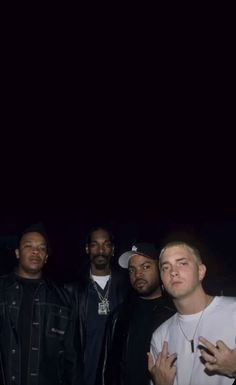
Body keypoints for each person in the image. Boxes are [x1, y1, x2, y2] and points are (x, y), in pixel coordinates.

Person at [0, 223, 83, 385]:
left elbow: (72, 358)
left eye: (41, 248)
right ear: (17, 253)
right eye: (28, 245)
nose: (35, 251)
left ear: (46, 257)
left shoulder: (62, 299)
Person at [148, 241, 236, 385]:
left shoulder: (233, 312)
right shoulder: (160, 336)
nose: (173, 271)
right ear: (162, 282)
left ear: (200, 272)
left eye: (182, 263)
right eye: (165, 267)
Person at [97, 242, 175, 385]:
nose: (138, 274)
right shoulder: (118, 316)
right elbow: (105, 368)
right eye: (132, 270)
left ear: (160, 269)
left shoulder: (175, 313)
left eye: (145, 266)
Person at [66, 226, 130, 385]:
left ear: (113, 249)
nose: (101, 250)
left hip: (118, 377)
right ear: (87, 249)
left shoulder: (128, 287)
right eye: (95, 245)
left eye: (106, 244)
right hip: (83, 377)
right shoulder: (72, 290)